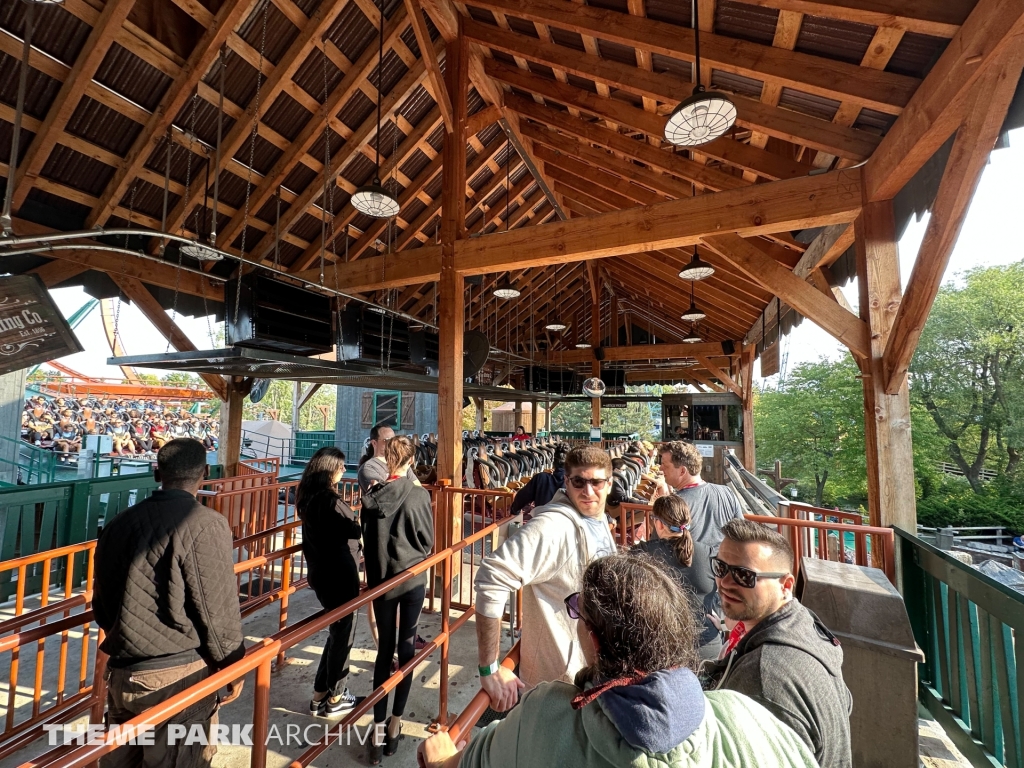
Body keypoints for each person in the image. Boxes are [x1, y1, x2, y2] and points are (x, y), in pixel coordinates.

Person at [418, 552, 819, 768]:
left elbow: (465, 763)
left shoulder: (546, 713)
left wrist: (438, 759)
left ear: (592, 637)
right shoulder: (748, 716)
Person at [93, 439, 244, 768]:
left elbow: (101, 605)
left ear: (156, 473)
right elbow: (217, 610)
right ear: (205, 473)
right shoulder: (205, 523)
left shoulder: (119, 523)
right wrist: (233, 665)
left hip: (123, 672)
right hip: (177, 676)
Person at [473, 446, 616, 713]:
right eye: (579, 482)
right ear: (566, 482)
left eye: (596, 482)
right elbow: (492, 577)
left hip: (591, 672)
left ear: (609, 483)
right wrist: (489, 668)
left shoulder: (597, 520)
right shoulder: (553, 527)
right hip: (559, 681)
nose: (588, 491)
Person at [705, 519, 853, 768]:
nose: (725, 583)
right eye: (721, 568)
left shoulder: (761, 676)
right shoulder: (807, 626)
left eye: (744, 575)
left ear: (785, 585)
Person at [360, 436, 434, 764]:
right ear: (412, 460)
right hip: (412, 578)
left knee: (384, 651)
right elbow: (427, 541)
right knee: (406, 650)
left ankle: (377, 730)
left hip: (382, 583)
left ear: (386, 459)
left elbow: (367, 540)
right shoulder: (418, 494)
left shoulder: (371, 497)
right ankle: (395, 724)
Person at [296, 447, 362, 717]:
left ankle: (319, 693)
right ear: (329, 470)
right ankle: (337, 696)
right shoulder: (329, 501)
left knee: (337, 631)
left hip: (322, 573)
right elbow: (353, 529)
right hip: (339, 575)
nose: (344, 470)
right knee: (344, 634)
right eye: (341, 466)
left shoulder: (310, 498)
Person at [633, 494, 722, 660]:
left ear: (659, 523)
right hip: (708, 647)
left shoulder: (642, 553)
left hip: (663, 649)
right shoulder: (710, 553)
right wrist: (724, 623)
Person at [652, 441, 744, 548]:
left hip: (685, 558)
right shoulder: (727, 492)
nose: (660, 468)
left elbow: (657, 547)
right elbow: (741, 534)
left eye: (665, 465)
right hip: (723, 557)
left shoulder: (671, 505)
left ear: (682, 471)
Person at [509, 442, 568, 516]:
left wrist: (514, 510)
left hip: (542, 519)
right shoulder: (572, 482)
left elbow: (521, 497)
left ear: (553, 463)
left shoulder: (541, 478)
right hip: (565, 520)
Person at [357, 423, 416, 494]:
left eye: (394, 440)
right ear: (374, 443)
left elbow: (418, 488)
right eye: (388, 440)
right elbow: (385, 494)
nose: (392, 444)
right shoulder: (368, 468)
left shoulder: (400, 462)